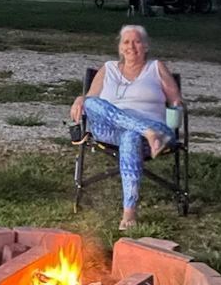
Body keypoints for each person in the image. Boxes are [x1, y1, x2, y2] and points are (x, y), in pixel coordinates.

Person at [68, 24, 182, 231]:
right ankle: (145, 131)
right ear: (120, 47)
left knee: (130, 136)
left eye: (137, 41)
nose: (131, 46)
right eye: (126, 42)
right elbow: (91, 100)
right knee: (91, 103)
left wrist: (173, 123)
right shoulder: (108, 68)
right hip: (113, 131)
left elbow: (176, 102)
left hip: (155, 131)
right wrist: (79, 98)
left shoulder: (156, 68)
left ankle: (129, 212)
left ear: (146, 46)